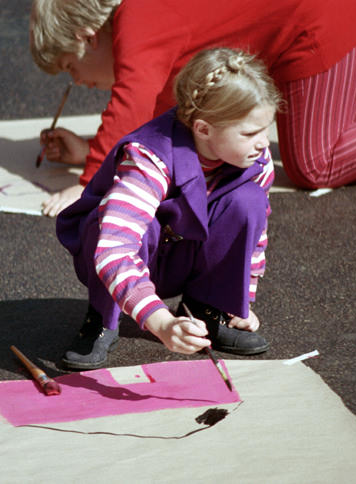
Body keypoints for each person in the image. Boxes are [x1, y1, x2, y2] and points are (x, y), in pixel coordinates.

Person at [30, 0, 356, 217]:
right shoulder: (146, 26)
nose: (76, 81)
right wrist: (88, 148)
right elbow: (165, 116)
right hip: (310, 21)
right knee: (316, 136)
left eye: (70, 66)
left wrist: (90, 182)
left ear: (89, 36)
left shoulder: (137, 22)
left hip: (330, 16)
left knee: (314, 163)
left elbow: (131, 101)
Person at [56, 47, 280, 370]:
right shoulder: (149, 157)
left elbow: (255, 230)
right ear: (203, 129)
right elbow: (113, 250)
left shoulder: (255, 159)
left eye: (266, 128)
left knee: (250, 202)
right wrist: (161, 323)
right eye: (249, 132)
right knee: (127, 222)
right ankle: (102, 318)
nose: (264, 142)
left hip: (182, 254)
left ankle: (208, 308)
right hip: (126, 256)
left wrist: (240, 300)